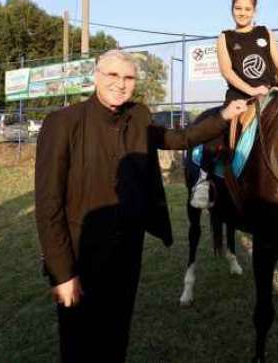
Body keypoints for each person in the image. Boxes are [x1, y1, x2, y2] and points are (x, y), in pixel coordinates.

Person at [35, 49, 247, 362]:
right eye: (113, 75)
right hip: (82, 256)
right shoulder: (63, 123)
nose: (120, 84)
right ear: (96, 77)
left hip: (128, 251)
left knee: (117, 335)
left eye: (128, 77)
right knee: (79, 344)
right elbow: (48, 206)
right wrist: (62, 274)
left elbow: (181, 138)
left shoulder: (140, 116)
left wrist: (224, 117)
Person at [189, 0, 278, 208]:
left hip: (270, 96)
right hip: (239, 98)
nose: (242, 13)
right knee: (217, 132)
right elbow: (227, 71)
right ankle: (203, 181)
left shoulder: (266, 33)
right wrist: (252, 91)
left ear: (254, 11)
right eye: (238, 8)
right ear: (232, 9)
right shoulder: (225, 37)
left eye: (247, 9)